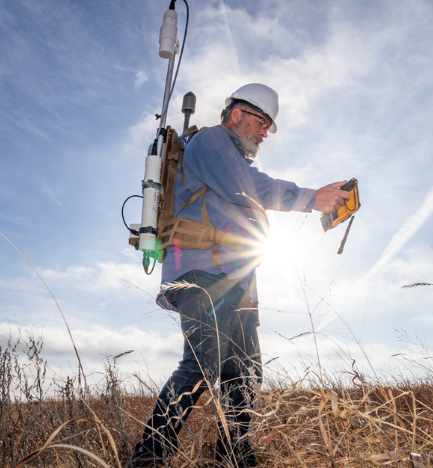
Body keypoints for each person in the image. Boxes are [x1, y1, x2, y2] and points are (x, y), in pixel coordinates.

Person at [129, 83, 350, 467]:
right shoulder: (213, 143)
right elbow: (249, 189)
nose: (265, 133)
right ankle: (149, 457)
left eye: (268, 127)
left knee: (245, 370)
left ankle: (234, 455)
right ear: (237, 114)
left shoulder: (232, 156)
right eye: (262, 122)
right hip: (202, 274)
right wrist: (311, 198)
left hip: (236, 280)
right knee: (202, 365)